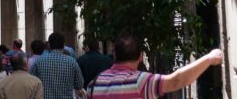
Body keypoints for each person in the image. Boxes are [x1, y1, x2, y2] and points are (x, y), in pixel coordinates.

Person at [90, 34, 222, 97]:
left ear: (115, 56)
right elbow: (176, 81)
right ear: (140, 57)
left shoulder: (94, 84)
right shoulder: (140, 82)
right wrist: (209, 58)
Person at [28, 33, 83, 99]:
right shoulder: (72, 62)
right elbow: (79, 84)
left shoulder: (39, 62)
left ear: (49, 45)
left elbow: (30, 83)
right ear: (63, 45)